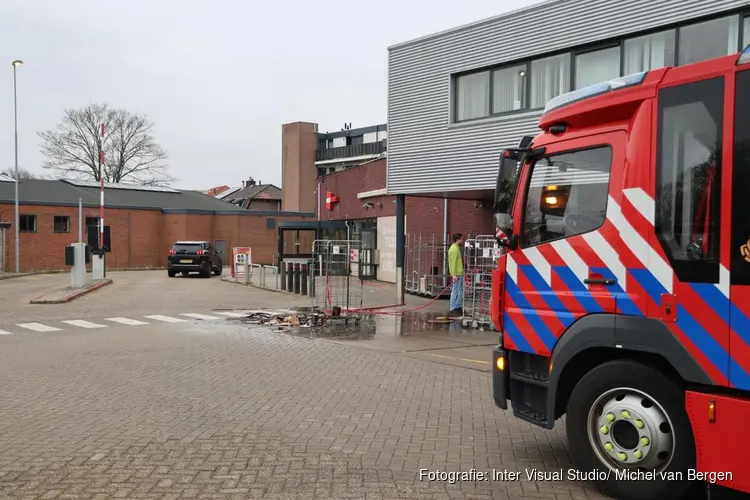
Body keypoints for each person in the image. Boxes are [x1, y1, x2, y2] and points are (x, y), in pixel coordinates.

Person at [447, 233, 465, 316]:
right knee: (455, 290)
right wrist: (454, 275)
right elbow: (453, 262)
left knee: (461, 289)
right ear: (457, 239)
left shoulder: (455, 248)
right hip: (457, 274)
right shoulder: (454, 249)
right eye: (461, 239)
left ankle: (457, 305)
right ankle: (452, 307)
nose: (462, 240)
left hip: (459, 273)